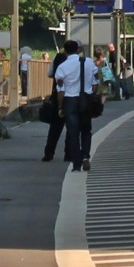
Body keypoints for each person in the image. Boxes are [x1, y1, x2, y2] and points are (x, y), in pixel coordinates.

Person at [55, 39, 98, 173]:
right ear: (78, 49)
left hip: (70, 101)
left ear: (65, 50)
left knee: (73, 134)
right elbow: (96, 83)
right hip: (85, 99)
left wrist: (61, 107)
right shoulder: (89, 62)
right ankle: (86, 156)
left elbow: (61, 90)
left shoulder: (62, 67)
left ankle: (76, 164)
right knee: (86, 130)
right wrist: (91, 96)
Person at [40, 49, 68, 162]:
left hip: (57, 96)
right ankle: (69, 154)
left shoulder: (57, 58)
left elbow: (50, 73)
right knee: (71, 129)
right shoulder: (76, 61)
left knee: (54, 129)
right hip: (72, 97)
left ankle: (48, 153)